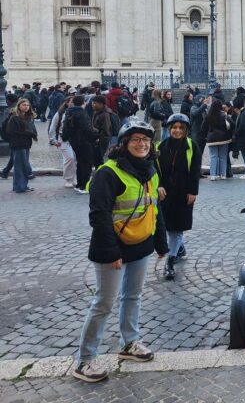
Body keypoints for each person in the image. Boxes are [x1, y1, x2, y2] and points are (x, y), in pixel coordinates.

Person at [71, 120, 168, 383]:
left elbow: (154, 208)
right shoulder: (107, 172)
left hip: (141, 243)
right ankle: (85, 361)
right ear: (124, 144)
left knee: (133, 296)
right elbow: (99, 216)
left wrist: (160, 243)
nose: (142, 144)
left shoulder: (151, 170)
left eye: (146, 140)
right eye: (136, 139)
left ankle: (130, 343)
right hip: (112, 247)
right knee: (104, 303)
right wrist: (112, 251)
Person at [157, 114, 202, 280]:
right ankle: (179, 248)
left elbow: (195, 171)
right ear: (169, 129)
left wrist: (193, 191)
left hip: (184, 192)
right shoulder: (161, 146)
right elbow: (156, 171)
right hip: (166, 192)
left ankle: (170, 260)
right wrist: (158, 186)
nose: (177, 131)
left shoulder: (192, 146)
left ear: (185, 130)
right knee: (168, 225)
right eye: (174, 128)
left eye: (180, 128)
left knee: (177, 228)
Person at [64, 95, 95, 194]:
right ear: (83, 103)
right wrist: (95, 136)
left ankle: (79, 184)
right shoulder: (82, 113)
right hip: (84, 141)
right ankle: (84, 186)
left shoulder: (69, 112)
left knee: (81, 163)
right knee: (86, 164)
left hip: (74, 140)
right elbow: (86, 129)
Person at [7, 97, 37, 193]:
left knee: (23, 165)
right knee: (20, 166)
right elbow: (11, 131)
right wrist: (28, 133)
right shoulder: (14, 118)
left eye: (28, 105)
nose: (26, 107)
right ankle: (20, 186)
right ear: (19, 106)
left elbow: (32, 129)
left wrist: (33, 134)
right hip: (18, 144)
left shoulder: (29, 118)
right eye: (24, 105)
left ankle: (21, 185)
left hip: (26, 144)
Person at [201, 99, 232, 181]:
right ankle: (223, 175)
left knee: (213, 157)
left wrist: (206, 136)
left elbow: (203, 127)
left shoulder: (208, 115)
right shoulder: (224, 115)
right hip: (224, 138)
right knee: (223, 157)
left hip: (211, 139)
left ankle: (213, 175)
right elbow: (232, 124)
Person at [49, 98, 77, 188]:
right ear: (67, 103)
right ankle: (68, 179)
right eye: (71, 102)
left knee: (74, 160)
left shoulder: (79, 112)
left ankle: (73, 178)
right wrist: (53, 139)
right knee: (70, 158)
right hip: (63, 139)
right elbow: (52, 127)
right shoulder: (60, 114)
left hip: (76, 139)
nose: (73, 103)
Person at [90, 95, 112, 167]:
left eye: (95, 103)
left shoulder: (104, 114)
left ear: (101, 104)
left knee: (98, 160)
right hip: (97, 139)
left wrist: (99, 139)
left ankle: (101, 175)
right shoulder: (97, 112)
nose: (93, 105)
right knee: (96, 159)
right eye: (93, 103)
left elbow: (106, 129)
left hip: (101, 140)